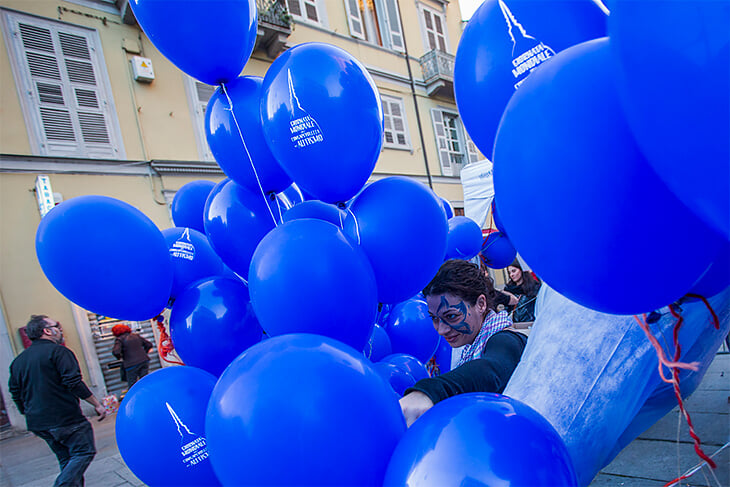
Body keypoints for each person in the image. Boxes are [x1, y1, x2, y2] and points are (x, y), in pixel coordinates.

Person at [399, 260, 528, 426]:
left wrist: (428, 393)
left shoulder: (505, 339)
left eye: (451, 316)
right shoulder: (472, 344)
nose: (441, 330)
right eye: (434, 319)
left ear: (481, 304)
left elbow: (491, 369)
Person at [8, 315, 107, 487]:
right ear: (47, 331)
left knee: (67, 460)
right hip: (65, 418)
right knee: (84, 452)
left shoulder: (18, 361)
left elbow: (15, 392)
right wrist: (97, 404)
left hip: (39, 422)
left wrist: (27, 411)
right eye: (57, 326)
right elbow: (73, 382)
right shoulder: (59, 352)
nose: (60, 329)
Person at [111, 324, 153, 389]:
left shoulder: (119, 340)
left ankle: (137, 398)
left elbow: (116, 352)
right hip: (144, 361)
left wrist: (120, 357)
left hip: (131, 364)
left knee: (132, 384)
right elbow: (149, 344)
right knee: (145, 381)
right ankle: (149, 394)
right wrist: (144, 353)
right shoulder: (136, 336)